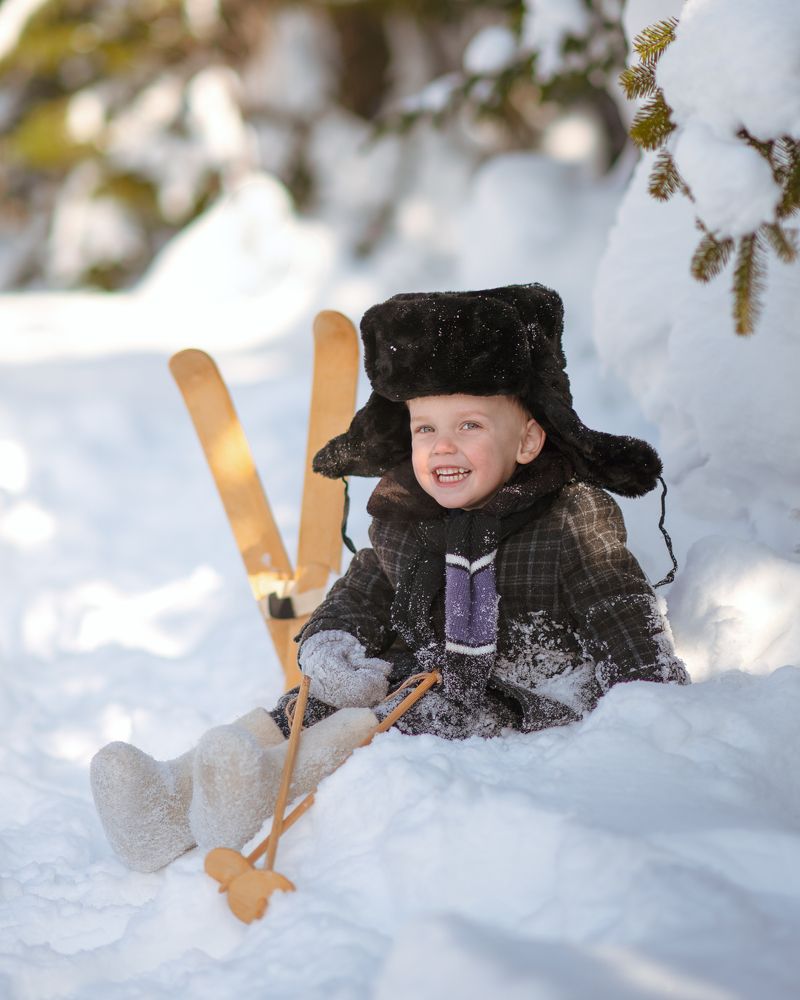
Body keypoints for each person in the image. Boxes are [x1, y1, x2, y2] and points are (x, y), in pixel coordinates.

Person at [91, 283, 688, 873]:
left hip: (519, 697)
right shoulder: (407, 514)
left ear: (529, 439)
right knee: (311, 700)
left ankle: (260, 789)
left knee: (398, 716)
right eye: (425, 428)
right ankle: (170, 801)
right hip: (424, 672)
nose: (442, 446)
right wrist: (331, 641)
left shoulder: (570, 519)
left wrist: (654, 706)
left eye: (471, 426)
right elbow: (364, 590)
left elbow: (620, 611)